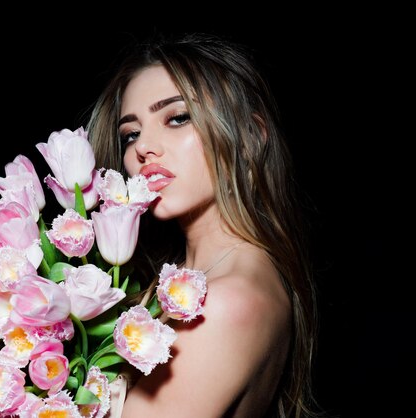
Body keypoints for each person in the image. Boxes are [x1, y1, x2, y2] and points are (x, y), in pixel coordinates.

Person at [87, 33, 322, 418]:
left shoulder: (226, 304)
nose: (144, 147)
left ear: (249, 137)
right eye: (131, 133)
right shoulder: (180, 283)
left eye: (177, 117)